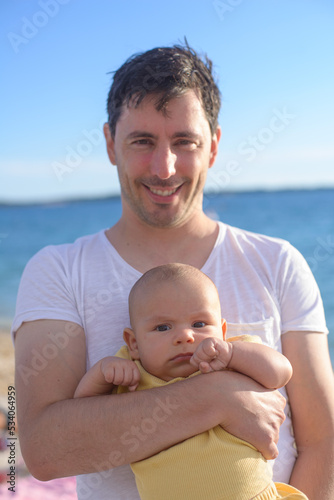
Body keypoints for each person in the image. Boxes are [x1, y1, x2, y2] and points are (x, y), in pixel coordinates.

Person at [12, 42, 334, 500]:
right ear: (109, 143)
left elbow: (324, 440)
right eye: (142, 141)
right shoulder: (58, 270)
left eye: (185, 142)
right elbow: (44, 449)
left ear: (214, 147)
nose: (164, 168)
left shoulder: (278, 262)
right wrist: (216, 397)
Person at [74, 263, 309, 500]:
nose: (185, 336)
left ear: (222, 330)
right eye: (163, 327)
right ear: (133, 344)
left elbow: (280, 372)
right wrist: (102, 373)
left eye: (199, 324)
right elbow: (83, 414)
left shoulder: (231, 357)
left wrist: (232, 353)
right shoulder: (132, 375)